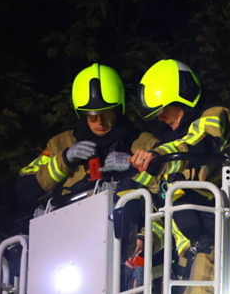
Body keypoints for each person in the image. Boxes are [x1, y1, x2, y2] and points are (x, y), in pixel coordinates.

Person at [129, 59, 230, 294]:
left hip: (226, 234)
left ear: (186, 96)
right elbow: (165, 209)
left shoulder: (217, 117)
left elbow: (201, 144)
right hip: (188, 253)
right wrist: (141, 241)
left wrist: (158, 157)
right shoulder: (171, 156)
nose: (163, 120)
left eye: (167, 111)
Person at [17, 63, 158, 203]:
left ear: (118, 110)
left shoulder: (143, 142)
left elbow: (167, 185)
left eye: (107, 114)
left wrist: (134, 167)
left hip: (129, 222)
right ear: (82, 115)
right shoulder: (60, 143)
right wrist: (64, 159)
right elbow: (24, 190)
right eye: (92, 116)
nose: (100, 122)